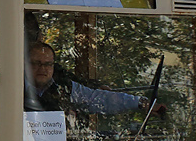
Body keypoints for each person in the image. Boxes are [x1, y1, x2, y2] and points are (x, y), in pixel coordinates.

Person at [24, 41, 156, 116]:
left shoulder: (65, 88)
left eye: (48, 64)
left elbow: (100, 99)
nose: (43, 69)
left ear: (54, 65)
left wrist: (140, 103)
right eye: (36, 63)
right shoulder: (12, 88)